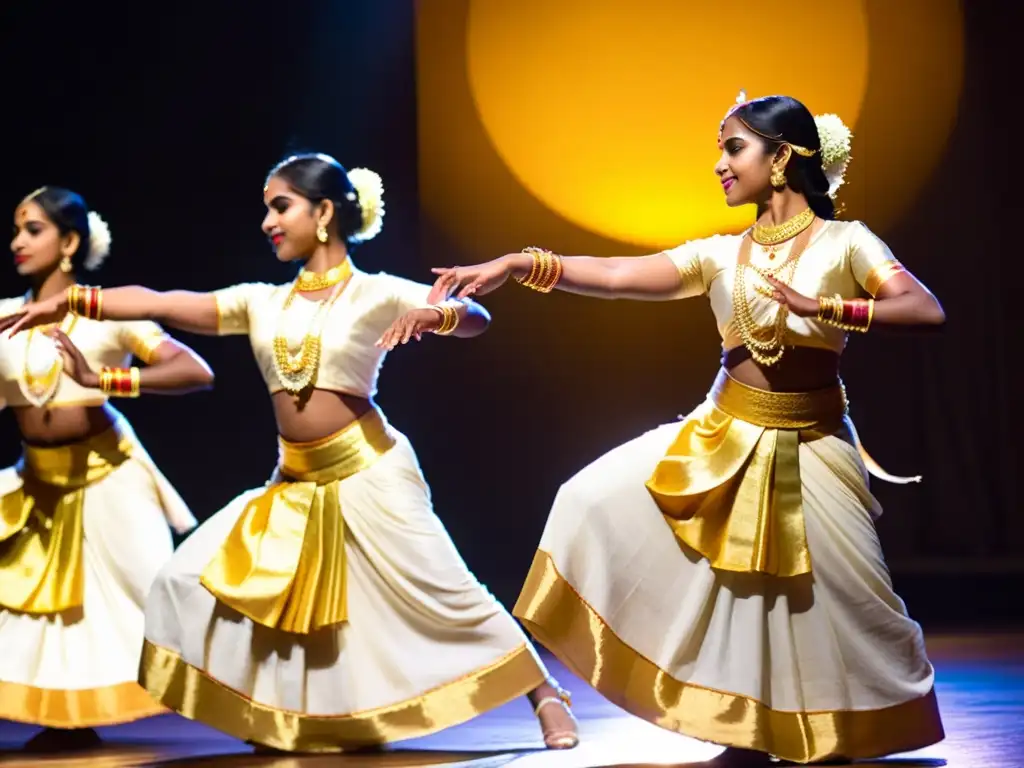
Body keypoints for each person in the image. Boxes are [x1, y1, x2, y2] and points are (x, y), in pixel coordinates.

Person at [425, 94, 947, 765]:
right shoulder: (720, 255)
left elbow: (923, 308)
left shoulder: (848, 242)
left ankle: (829, 730)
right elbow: (616, 276)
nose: (719, 164)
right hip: (721, 435)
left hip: (814, 445)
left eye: (734, 147)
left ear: (782, 157)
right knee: (594, 504)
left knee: (843, 603)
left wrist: (827, 307)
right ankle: (741, 729)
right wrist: (520, 264)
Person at [0, 154, 579, 754]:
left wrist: (438, 312)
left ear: (324, 212)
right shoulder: (260, 302)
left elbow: (476, 317)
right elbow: (164, 301)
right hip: (295, 479)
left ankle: (543, 695)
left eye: (281, 207)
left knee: (446, 587)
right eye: (267, 209)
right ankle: (289, 718)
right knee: (189, 581)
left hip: (369, 469)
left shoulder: (375, 293)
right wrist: (72, 303)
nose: (267, 222)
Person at [0, 186, 211, 750]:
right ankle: (63, 718)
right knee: (44, 616)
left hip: (109, 478)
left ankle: (262, 704)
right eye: (17, 229)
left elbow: (193, 370)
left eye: (34, 229)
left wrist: (106, 381)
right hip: (36, 479)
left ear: (70, 242)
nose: (18, 241)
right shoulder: (3, 318)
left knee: (146, 607)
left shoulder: (106, 313)